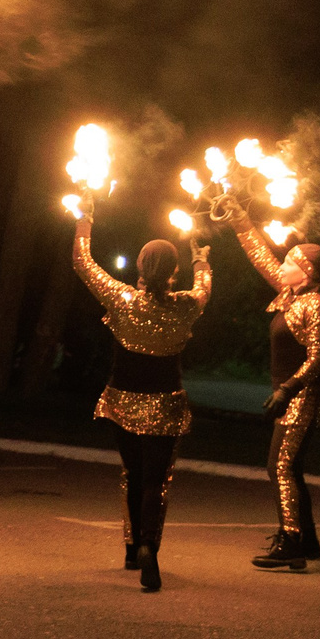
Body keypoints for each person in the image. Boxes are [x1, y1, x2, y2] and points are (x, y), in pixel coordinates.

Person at [69, 206, 211, 591]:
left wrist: (86, 216)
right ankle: (149, 544)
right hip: (166, 405)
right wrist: (201, 259)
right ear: (172, 273)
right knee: (156, 480)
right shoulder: (185, 306)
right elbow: (204, 290)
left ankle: (132, 549)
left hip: (123, 402)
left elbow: (82, 262)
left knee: (132, 473)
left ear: (140, 266)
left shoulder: (122, 299)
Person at [215, 194, 320, 571]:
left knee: (279, 467)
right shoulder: (289, 294)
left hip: (301, 396)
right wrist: (238, 218)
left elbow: (318, 359)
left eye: (289, 263)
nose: (280, 266)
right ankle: (307, 541)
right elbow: (259, 257)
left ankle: (291, 542)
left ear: (307, 272)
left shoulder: (316, 305)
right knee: (290, 468)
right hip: (289, 396)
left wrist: (286, 390)